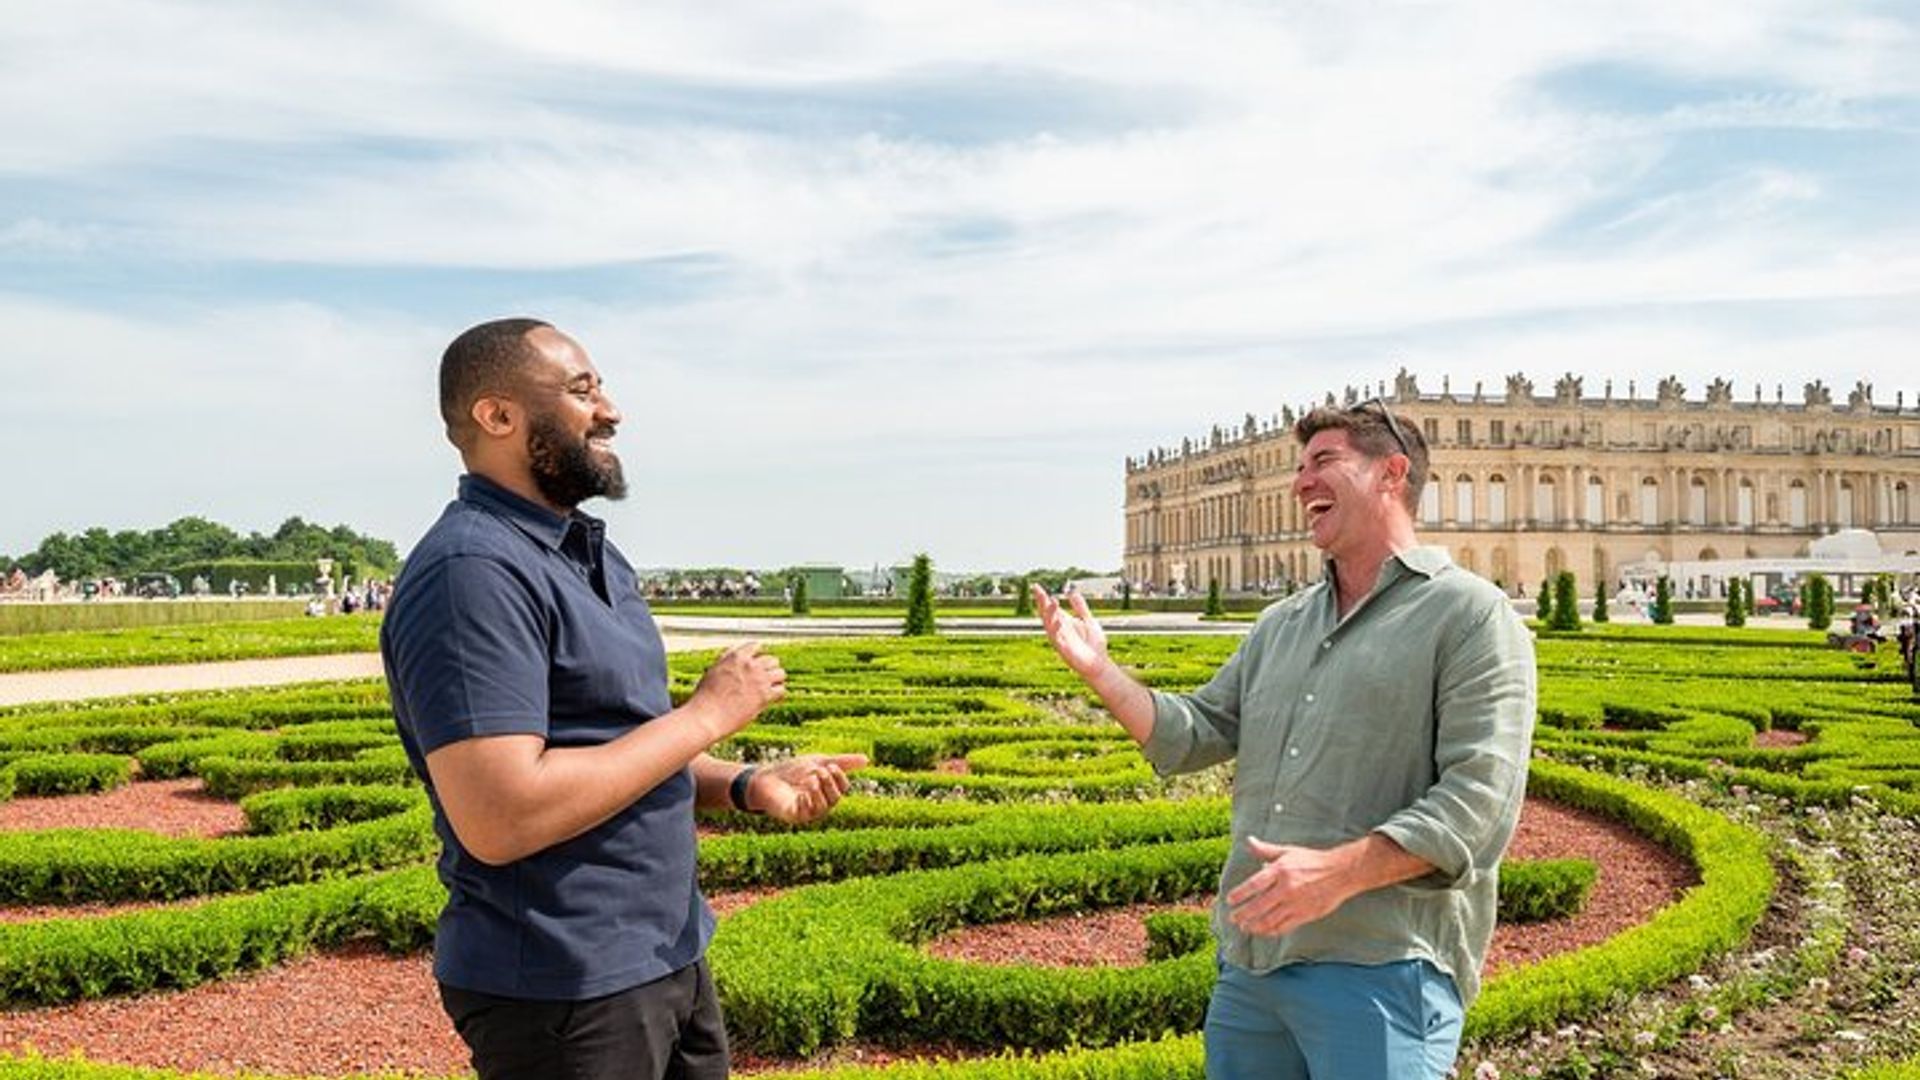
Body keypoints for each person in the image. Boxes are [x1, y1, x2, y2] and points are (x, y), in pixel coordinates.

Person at [381, 318, 866, 1080]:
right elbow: (501, 816)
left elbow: (619, 745)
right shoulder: (472, 572)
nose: (611, 410)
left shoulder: (589, 553)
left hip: (664, 953)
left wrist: (744, 783)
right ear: (498, 415)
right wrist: (706, 715)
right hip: (564, 985)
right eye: (582, 391)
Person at [1032, 399, 1536, 1079]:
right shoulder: (1283, 623)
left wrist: (1338, 873)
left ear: (1392, 474)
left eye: (1324, 461)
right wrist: (1101, 671)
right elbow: (1194, 733)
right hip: (1253, 969)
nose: (1301, 482)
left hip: (1381, 969)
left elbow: (1480, 803)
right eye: (1299, 467)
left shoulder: (1470, 614)